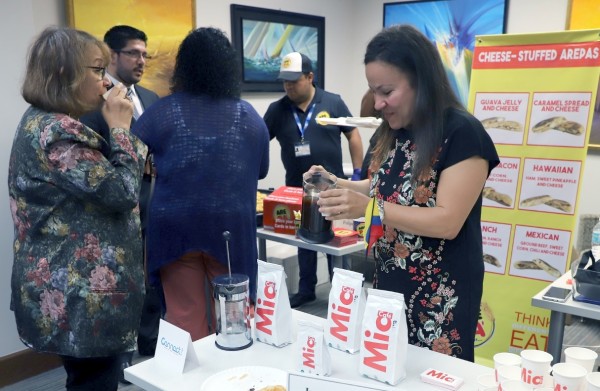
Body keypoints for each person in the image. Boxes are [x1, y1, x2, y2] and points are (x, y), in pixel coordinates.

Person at [308, 25, 499, 362]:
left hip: (441, 297)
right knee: (388, 366)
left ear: (420, 81)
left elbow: (448, 221)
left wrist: (372, 209)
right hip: (391, 285)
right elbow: (382, 187)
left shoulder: (462, 133)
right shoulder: (393, 131)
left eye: (386, 91)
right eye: (373, 91)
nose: (378, 104)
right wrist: (335, 183)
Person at [8, 27, 147, 390]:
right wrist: (120, 129)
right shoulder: (58, 131)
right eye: (98, 70)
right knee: (94, 382)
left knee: (87, 379)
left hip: (70, 289)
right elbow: (122, 191)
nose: (105, 82)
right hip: (80, 295)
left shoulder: (41, 120)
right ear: (63, 74)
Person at [131, 27, 269, 341]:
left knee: (184, 318)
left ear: (184, 67)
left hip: (175, 228)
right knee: (233, 320)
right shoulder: (249, 117)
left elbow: (128, 163)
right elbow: (260, 171)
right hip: (231, 228)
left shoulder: (160, 113)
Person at [79, 25, 161, 382]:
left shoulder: (153, 98)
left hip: (156, 201)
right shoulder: (91, 101)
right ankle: (121, 359)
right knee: (121, 284)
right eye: (133, 53)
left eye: (145, 53)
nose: (141, 60)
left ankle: (152, 344)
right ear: (112, 56)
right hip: (116, 205)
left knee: (151, 276)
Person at [264, 52, 364, 308]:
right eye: (284, 81)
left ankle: (340, 294)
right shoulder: (277, 110)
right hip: (298, 189)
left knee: (336, 240)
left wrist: (357, 173)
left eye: (294, 80)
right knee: (304, 240)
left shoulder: (332, 102)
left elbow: (352, 134)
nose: (288, 86)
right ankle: (306, 289)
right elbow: (260, 139)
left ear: (310, 77)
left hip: (334, 189)